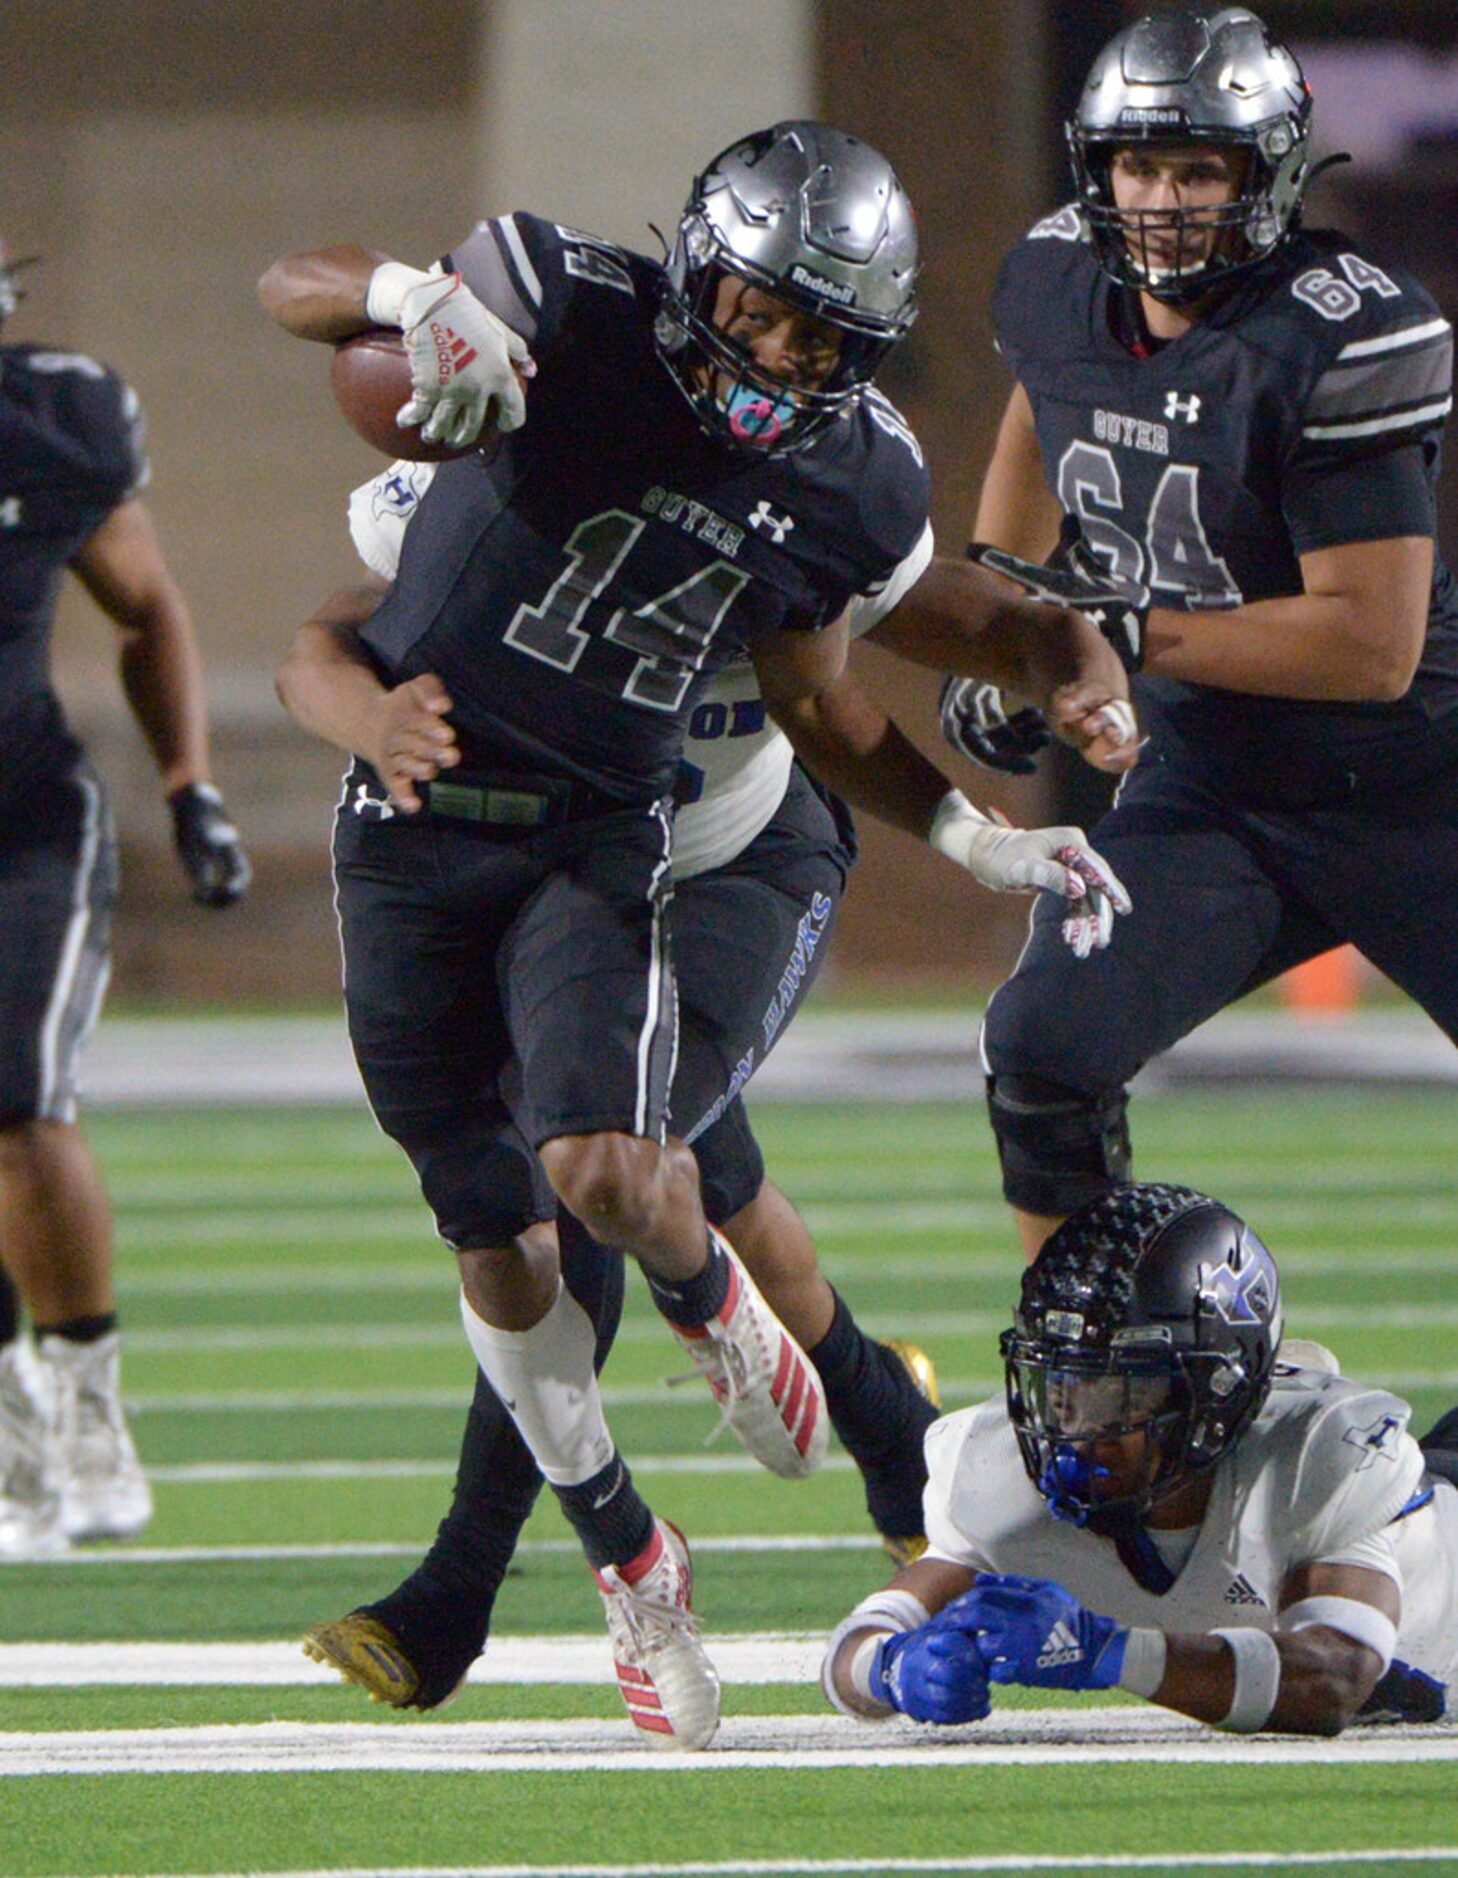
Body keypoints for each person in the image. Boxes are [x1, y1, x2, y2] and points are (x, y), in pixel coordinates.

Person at [260, 122, 1135, 1748]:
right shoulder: (499, 406)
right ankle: (868, 1430)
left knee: (618, 1170)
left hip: (716, 839)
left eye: (822, 334)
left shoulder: (835, 488)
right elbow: (334, 611)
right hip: (522, 837)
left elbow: (904, 633)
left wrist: (1041, 696)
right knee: (644, 1186)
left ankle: (581, 1545)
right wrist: (409, 302)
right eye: (762, 313)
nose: (780, 358)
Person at [969, 4, 1458, 1259]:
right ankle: (1086, 1401)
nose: (1165, 198)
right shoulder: (1060, 279)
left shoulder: (1335, 328)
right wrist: (1009, 612)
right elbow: (1043, 403)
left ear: (1273, 175)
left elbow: (1370, 647)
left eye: (1201, 168)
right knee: (1041, 1051)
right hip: (1216, 788)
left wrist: (1115, 630)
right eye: (1140, 164)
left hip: (1416, 777)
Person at [823, 1182, 1457, 1736]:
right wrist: (896, 1670)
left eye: (1117, 1393)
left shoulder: (1316, 1460)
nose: (1073, 1429)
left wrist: (1109, 1653)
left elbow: (1332, 1681)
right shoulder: (1001, 1475)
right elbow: (857, 1643)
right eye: (1060, 1390)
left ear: (1214, 1393)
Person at [0, 237, 251, 1558]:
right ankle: (12, 1424)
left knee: (21, 1102)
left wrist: (189, 783)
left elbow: (147, 606)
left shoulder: (49, 421)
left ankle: (88, 1401)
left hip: (20, 816)